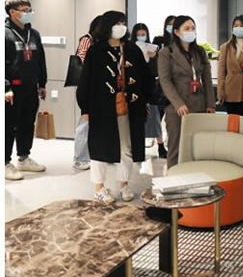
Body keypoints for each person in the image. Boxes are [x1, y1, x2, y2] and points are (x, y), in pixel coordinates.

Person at [77, 11, 154, 204]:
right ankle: (99, 188)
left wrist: (145, 100)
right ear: (107, 26)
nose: (122, 26)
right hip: (101, 108)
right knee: (100, 148)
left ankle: (123, 185)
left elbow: (146, 76)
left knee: (126, 147)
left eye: (123, 22)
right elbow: (86, 82)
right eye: (117, 23)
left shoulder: (132, 49)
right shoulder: (96, 51)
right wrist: (85, 108)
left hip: (129, 106)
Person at [158, 15, 216, 168]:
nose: (191, 31)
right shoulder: (166, 53)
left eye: (193, 28)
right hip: (177, 108)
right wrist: (178, 104)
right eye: (187, 28)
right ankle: (173, 178)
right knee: (176, 148)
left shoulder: (200, 52)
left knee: (197, 148)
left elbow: (207, 80)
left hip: (199, 105)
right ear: (176, 32)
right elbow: (165, 80)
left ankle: (194, 178)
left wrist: (211, 104)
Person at [5, 0, 48, 180]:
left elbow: (41, 60)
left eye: (29, 10)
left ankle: (24, 158)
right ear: (12, 12)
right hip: (12, 90)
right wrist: (5, 87)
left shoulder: (34, 34)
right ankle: (5, 162)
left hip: (31, 88)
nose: (28, 13)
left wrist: (42, 83)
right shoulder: (5, 34)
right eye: (24, 10)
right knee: (8, 126)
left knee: (27, 123)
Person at [132, 23, 167, 159]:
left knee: (154, 117)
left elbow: (155, 71)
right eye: (138, 35)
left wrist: (153, 58)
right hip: (135, 87)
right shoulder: (130, 49)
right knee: (136, 120)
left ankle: (160, 146)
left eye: (143, 34)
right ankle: (137, 146)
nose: (141, 37)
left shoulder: (152, 49)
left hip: (150, 88)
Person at [72, 15, 102, 171]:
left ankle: (91, 155)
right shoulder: (87, 40)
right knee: (84, 124)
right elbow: (81, 60)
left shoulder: (101, 42)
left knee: (94, 124)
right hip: (87, 86)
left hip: (98, 86)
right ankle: (80, 158)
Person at [217, 15, 243, 118]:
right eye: (236, 26)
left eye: (241, 26)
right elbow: (221, 72)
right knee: (233, 122)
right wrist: (220, 91)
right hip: (231, 90)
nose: (238, 28)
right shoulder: (225, 47)